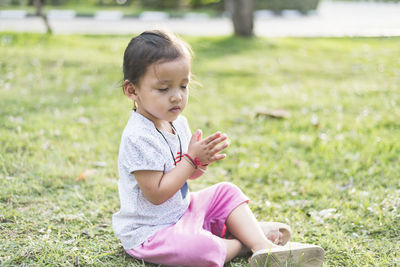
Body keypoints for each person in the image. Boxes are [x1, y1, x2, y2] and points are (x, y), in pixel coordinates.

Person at [112, 30, 325, 267]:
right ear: (132, 90)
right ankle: (245, 241)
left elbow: (181, 176)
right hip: (152, 232)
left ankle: (263, 247)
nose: (177, 97)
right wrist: (190, 161)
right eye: (164, 89)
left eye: (183, 86)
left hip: (181, 212)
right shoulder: (138, 137)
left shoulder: (176, 122)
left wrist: (199, 164)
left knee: (226, 191)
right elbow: (156, 194)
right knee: (202, 249)